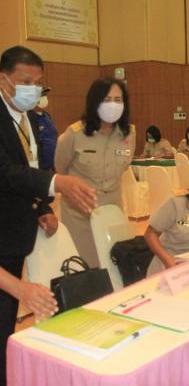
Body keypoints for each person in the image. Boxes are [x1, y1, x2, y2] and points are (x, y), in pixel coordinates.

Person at [0, 45, 96, 386]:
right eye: (25, 81)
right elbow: (6, 172)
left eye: (38, 82)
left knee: (5, 318)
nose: (33, 89)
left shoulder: (30, 118)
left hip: (15, 234)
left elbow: (30, 167)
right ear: (4, 80)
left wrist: (41, 208)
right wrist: (59, 183)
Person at [55, 77, 136, 268]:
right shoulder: (75, 133)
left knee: (114, 263)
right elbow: (60, 168)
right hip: (80, 212)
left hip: (113, 209)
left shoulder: (129, 133)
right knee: (85, 266)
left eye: (118, 100)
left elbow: (124, 166)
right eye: (107, 99)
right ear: (95, 102)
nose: (113, 105)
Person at [33, 87, 57, 170]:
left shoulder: (46, 115)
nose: (44, 98)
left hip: (52, 164)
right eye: (41, 96)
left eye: (45, 95)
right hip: (40, 166)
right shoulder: (30, 117)